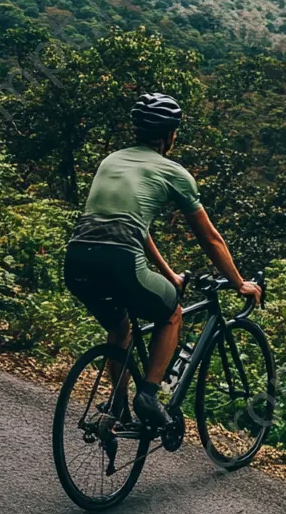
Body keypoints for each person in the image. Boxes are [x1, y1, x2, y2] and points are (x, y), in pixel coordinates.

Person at [64, 92, 261, 428]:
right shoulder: (174, 173)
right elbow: (210, 238)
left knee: (120, 326)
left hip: (77, 258)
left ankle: (118, 408)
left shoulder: (110, 161)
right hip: (122, 260)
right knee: (171, 314)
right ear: (171, 135)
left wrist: (168, 273)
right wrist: (238, 282)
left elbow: (134, 228)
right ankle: (149, 395)